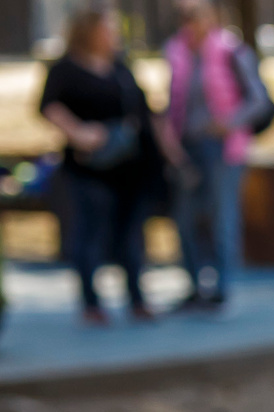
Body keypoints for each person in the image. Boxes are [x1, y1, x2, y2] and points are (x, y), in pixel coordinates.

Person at [39, 8, 165, 327]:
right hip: (88, 166)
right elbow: (47, 106)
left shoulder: (120, 67)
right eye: (106, 28)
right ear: (89, 31)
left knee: (130, 234)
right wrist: (79, 132)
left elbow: (144, 110)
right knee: (89, 231)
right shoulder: (66, 69)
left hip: (127, 165)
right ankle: (91, 302)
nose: (112, 33)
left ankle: (136, 299)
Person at [161, 0, 256, 313]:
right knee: (185, 218)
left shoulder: (231, 51)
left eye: (199, 16)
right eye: (188, 18)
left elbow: (260, 101)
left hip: (223, 146)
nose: (194, 23)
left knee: (221, 215)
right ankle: (193, 285)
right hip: (186, 145)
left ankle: (222, 287)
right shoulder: (176, 53)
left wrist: (228, 123)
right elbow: (172, 101)